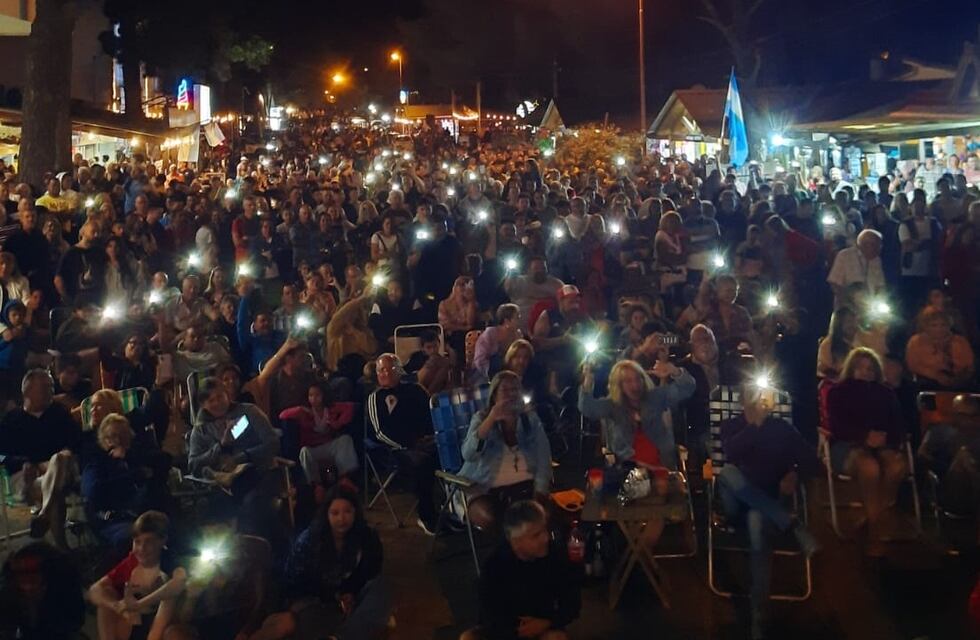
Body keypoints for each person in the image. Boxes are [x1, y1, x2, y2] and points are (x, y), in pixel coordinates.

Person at [718, 381, 820, 640]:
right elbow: (730, 453)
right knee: (728, 472)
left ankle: (758, 614)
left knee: (756, 524)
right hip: (735, 502)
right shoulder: (732, 425)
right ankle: (790, 524)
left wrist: (794, 473)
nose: (757, 401)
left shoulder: (782, 428)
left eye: (761, 396)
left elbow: (813, 462)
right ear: (742, 403)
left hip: (766, 501)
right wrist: (754, 426)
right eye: (751, 397)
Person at [247, 486, 390, 640]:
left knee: (380, 587)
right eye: (335, 513)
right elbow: (295, 582)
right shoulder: (311, 540)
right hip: (316, 602)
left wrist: (351, 593)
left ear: (355, 512)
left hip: (351, 600)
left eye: (347, 511)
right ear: (326, 515)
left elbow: (371, 572)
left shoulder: (366, 537)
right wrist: (334, 596)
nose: (342, 519)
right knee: (301, 620)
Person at [579, 358, 695, 546]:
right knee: (661, 491)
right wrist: (588, 379)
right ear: (619, 385)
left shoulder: (655, 398)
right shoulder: (613, 405)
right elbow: (587, 408)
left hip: (660, 467)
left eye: (637, 379)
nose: (635, 385)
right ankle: (640, 556)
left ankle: (635, 555)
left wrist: (674, 370)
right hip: (630, 470)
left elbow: (687, 388)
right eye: (628, 381)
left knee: (662, 486)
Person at [825, 348, 909, 548]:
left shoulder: (886, 394)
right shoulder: (837, 392)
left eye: (870, 368)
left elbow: (898, 425)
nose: (865, 372)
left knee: (896, 466)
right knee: (868, 467)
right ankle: (877, 530)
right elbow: (836, 426)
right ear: (850, 368)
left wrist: (885, 438)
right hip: (848, 444)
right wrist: (863, 436)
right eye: (860, 368)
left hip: (883, 443)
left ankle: (873, 517)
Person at [460, 500, 580, 640]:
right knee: (468, 638)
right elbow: (489, 615)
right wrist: (516, 629)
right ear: (516, 541)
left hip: (542, 625)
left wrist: (547, 622)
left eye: (545, 530)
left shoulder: (555, 556)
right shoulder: (494, 566)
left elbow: (573, 603)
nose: (545, 538)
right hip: (506, 630)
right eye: (536, 535)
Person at [459, 371, 553, 531]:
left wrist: (540, 492)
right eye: (505, 390)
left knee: (547, 514)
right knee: (492, 516)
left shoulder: (530, 419)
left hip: (524, 487)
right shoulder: (481, 418)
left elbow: (544, 457)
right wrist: (491, 419)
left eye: (515, 390)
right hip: (484, 487)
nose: (511, 394)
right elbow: (468, 454)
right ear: (494, 396)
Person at [0, 369, 80, 549]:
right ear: (27, 391)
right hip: (28, 478)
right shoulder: (11, 420)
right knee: (54, 491)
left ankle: (45, 515)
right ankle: (62, 549)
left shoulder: (59, 413)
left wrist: (66, 453)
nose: (51, 391)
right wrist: (23, 462)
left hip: (63, 471)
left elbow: (76, 440)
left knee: (59, 459)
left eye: (51, 386)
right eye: (45, 387)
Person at [366, 353, 439, 534]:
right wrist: (408, 444)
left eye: (391, 368)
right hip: (393, 450)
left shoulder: (416, 390)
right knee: (422, 463)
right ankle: (426, 515)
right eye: (381, 370)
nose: (386, 373)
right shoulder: (375, 398)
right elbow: (379, 433)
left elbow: (430, 416)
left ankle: (454, 510)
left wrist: (431, 435)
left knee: (448, 453)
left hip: (424, 441)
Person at [88, 511, 186, 640]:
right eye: (137, 542)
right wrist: (116, 606)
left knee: (176, 631)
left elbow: (177, 583)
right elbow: (94, 590)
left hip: (160, 622)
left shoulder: (169, 562)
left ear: (162, 541)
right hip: (133, 620)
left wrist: (140, 604)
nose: (141, 548)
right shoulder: (132, 562)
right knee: (107, 593)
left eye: (148, 542)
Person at [279, 381, 358, 487]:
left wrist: (338, 423)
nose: (314, 399)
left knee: (345, 440)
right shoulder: (304, 412)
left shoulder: (330, 408)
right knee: (304, 452)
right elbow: (282, 415)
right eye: (311, 395)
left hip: (328, 445)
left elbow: (350, 407)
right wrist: (301, 409)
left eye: (317, 395)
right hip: (313, 449)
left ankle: (345, 479)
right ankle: (316, 485)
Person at [0, 542, 85, 640]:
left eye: (33, 580)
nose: (28, 587)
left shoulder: (64, 591)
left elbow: (74, 622)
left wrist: (35, 610)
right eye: (22, 579)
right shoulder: (8, 593)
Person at [905, 308, 975, 390]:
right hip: (928, 385)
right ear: (925, 326)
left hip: (960, 385)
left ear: (949, 325)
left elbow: (969, 365)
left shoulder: (960, 341)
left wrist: (959, 378)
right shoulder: (916, 341)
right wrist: (936, 375)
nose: (939, 329)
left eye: (943, 325)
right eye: (934, 325)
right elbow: (913, 365)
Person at [827, 229, 886, 308]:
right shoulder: (845, 256)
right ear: (864, 245)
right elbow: (834, 283)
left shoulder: (877, 260)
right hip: (847, 308)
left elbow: (880, 285)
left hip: (871, 308)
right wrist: (847, 300)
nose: (879, 249)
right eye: (876, 246)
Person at [471, 303, 523, 384]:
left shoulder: (518, 335)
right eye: (517, 317)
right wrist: (493, 375)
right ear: (507, 321)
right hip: (484, 373)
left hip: (508, 373)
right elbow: (480, 360)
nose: (520, 320)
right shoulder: (490, 334)